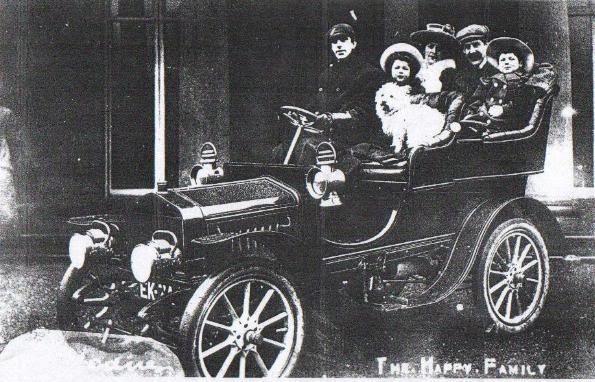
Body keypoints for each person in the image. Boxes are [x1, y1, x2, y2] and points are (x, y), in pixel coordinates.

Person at [273, 23, 385, 170]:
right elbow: (316, 105)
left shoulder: (368, 74)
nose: (338, 45)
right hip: (326, 136)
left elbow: (364, 112)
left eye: (343, 40)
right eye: (334, 42)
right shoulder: (326, 75)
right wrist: (303, 114)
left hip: (353, 139)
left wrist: (332, 118)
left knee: (308, 146)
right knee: (281, 150)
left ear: (354, 43)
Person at [461, 37, 546, 135]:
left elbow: (523, 103)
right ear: (499, 64)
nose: (506, 62)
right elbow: (476, 99)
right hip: (484, 120)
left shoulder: (524, 81)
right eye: (503, 60)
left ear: (520, 63)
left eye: (511, 59)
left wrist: (503, 110)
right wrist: (472, 112)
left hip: (508, 124)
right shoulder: (490, 80)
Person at [410, 23, 459, 93]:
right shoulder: (417, 68)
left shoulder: (447, 70)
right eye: (430, 47)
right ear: (424, 49)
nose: (433, 51)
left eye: (439, 48)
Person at [454, 24, 499, 99]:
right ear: (464, 51)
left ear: (486, 46)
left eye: (476, 45)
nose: (472, 51)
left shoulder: (496, 71)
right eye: (467, 47)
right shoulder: (462, 75)